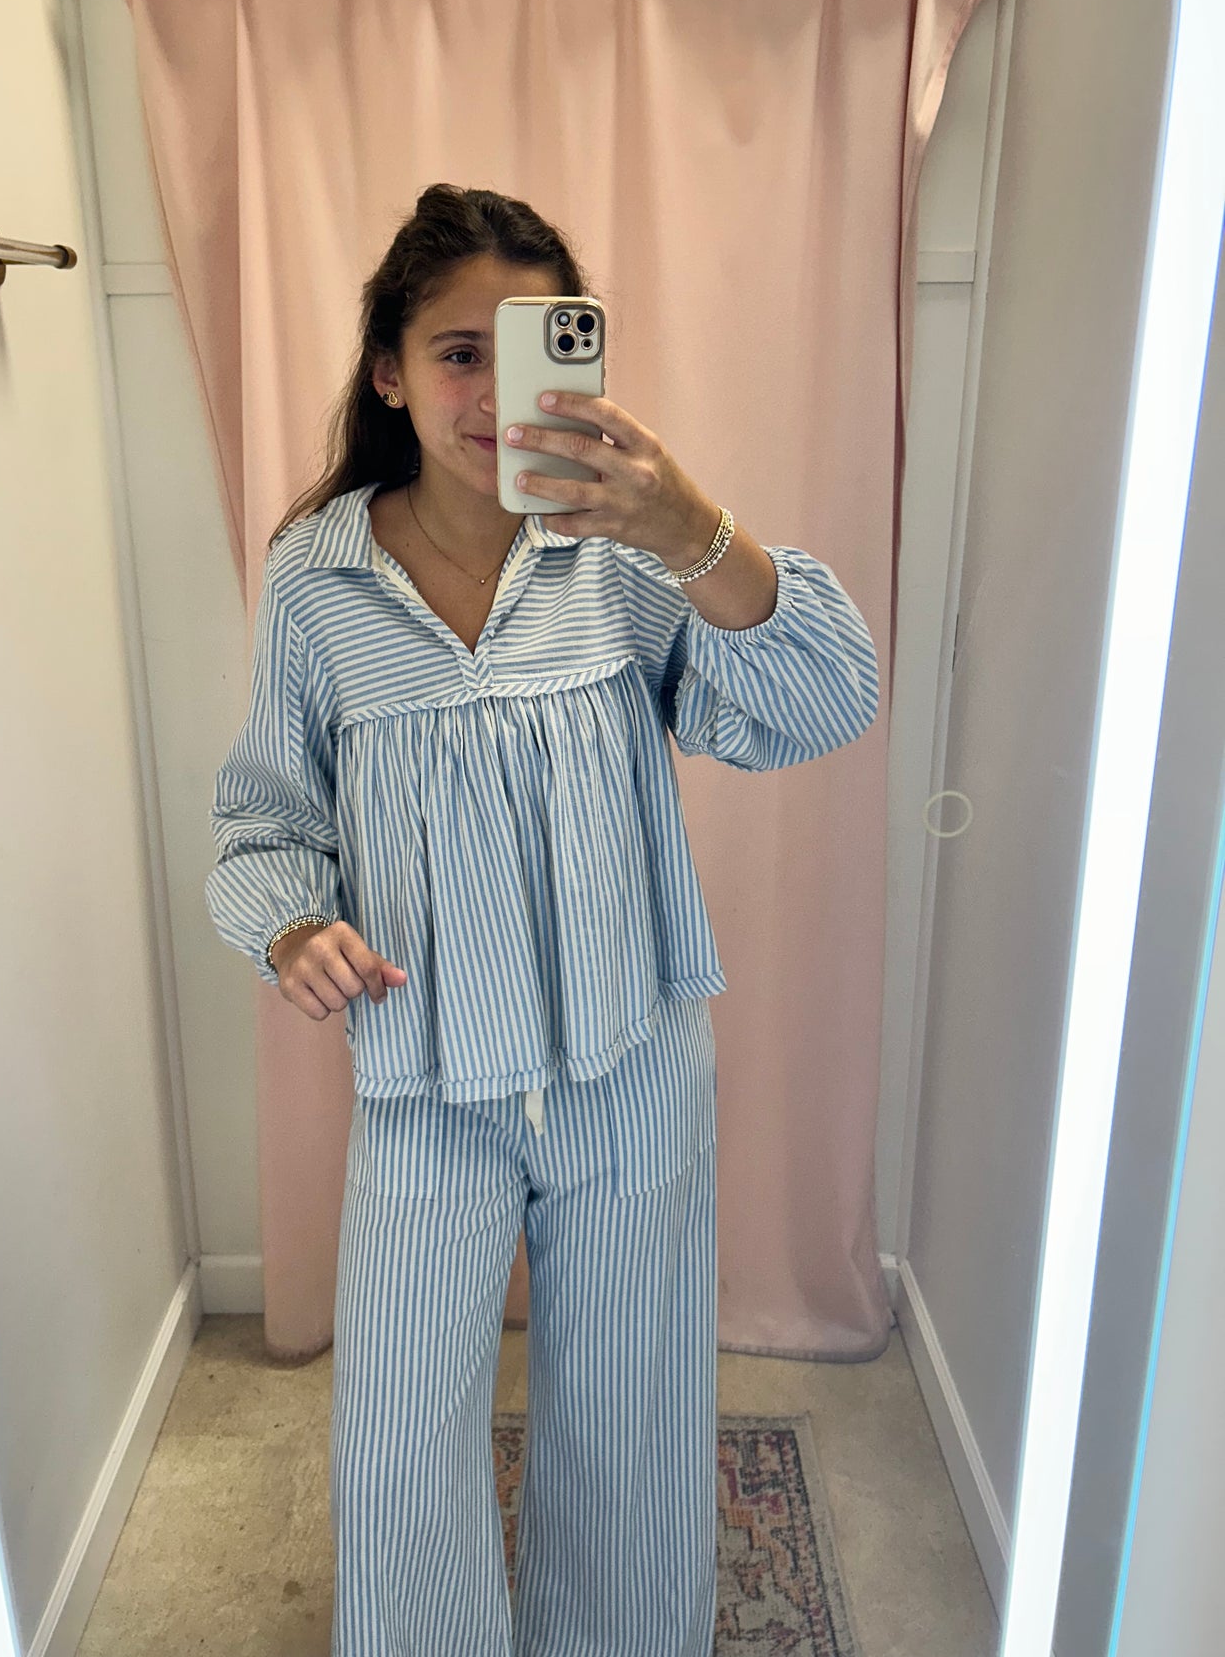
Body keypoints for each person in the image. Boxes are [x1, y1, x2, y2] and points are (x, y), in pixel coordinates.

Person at [205, 183, 879, 1657]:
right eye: (460, 353)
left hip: (631, 1063)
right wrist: (291, 927)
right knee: (398, 1444)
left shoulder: (631, 553)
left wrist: (689, 524)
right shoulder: (318, 580)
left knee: (633, 1425)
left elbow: (829, 698)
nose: (498, 396)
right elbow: (265, 815)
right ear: (388, 371)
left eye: (535, 350)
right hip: (423, 1077)